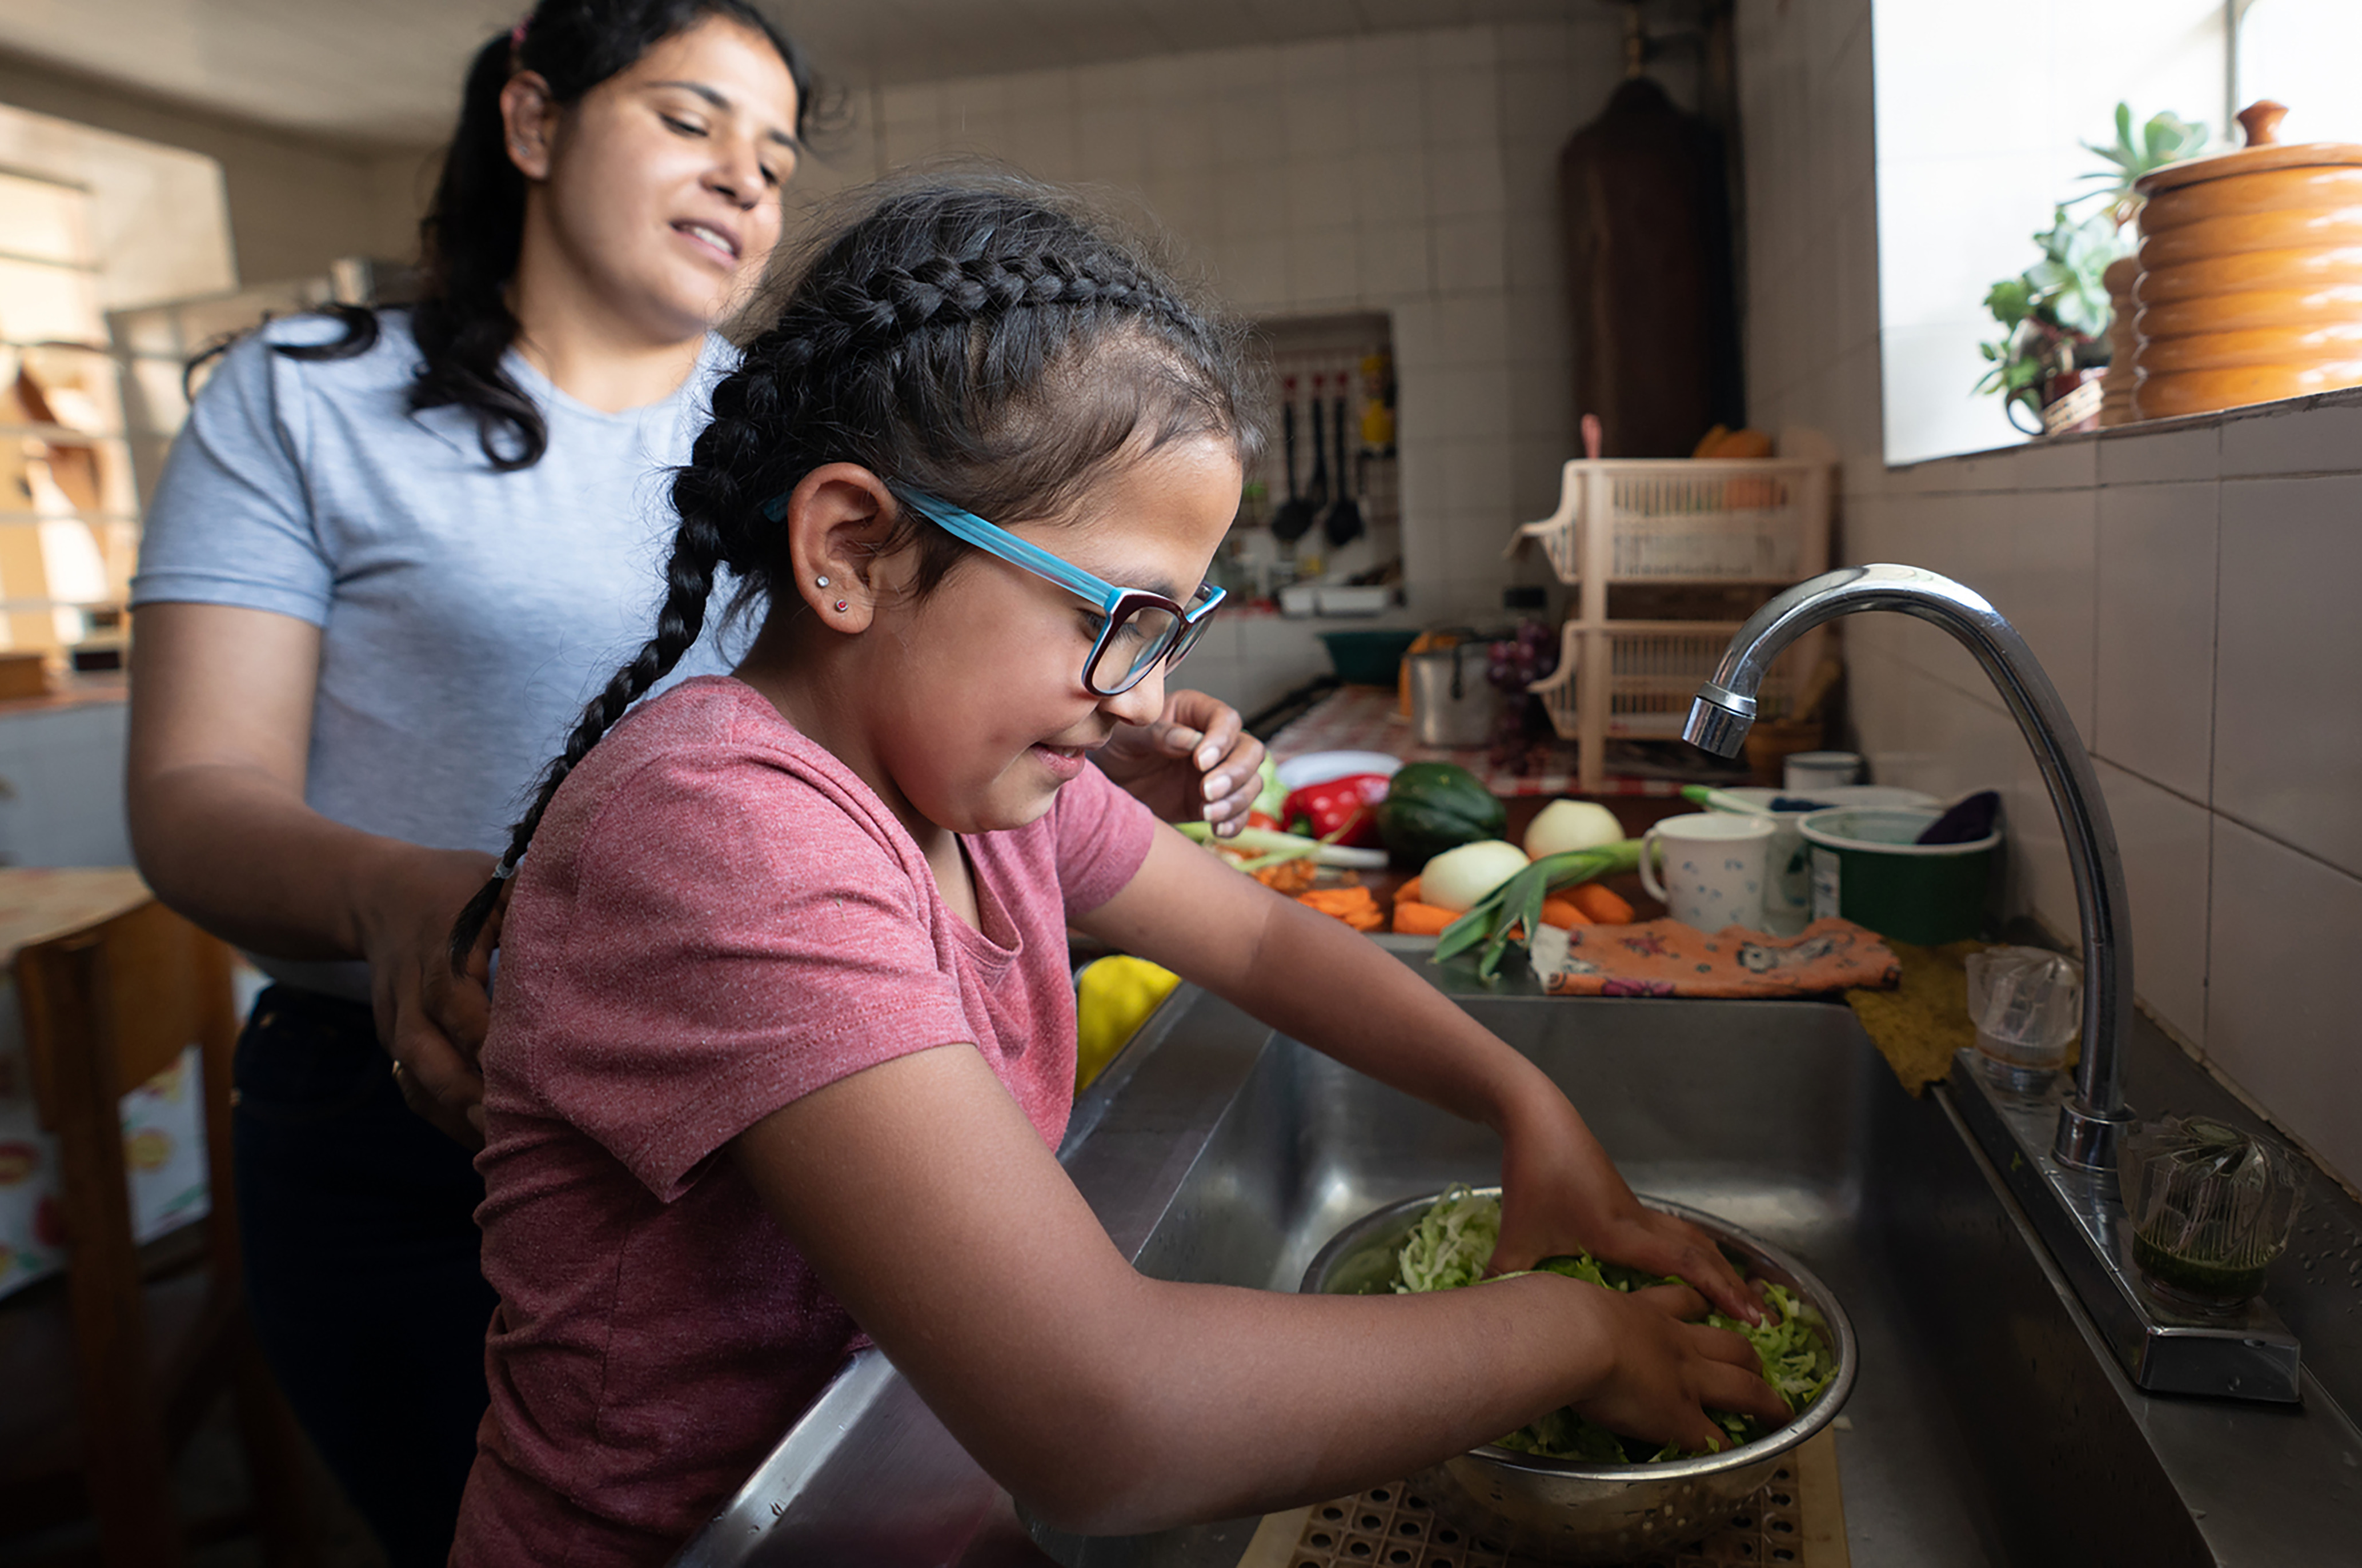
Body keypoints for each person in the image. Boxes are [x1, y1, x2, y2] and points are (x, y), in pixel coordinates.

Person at [451, 175, 1786, 1567]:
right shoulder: (724, 825)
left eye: (1172, 627)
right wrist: (1571, 1330)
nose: (1146, 697)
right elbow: (1103, 1420)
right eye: (1116, 617)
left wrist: (1522, 1098)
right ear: (851, 549)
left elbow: (1263, 945)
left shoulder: (976, 790)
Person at [123, 6, 1262, 1562]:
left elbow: (874, 700)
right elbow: (190, 789)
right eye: (689, 119)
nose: (744, 177)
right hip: (405, 1099)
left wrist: (1083, 707)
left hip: (794, 1099)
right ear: (530, 121)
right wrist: (406, 897)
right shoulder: (306, 395)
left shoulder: (806, 422)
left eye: (777, 154)